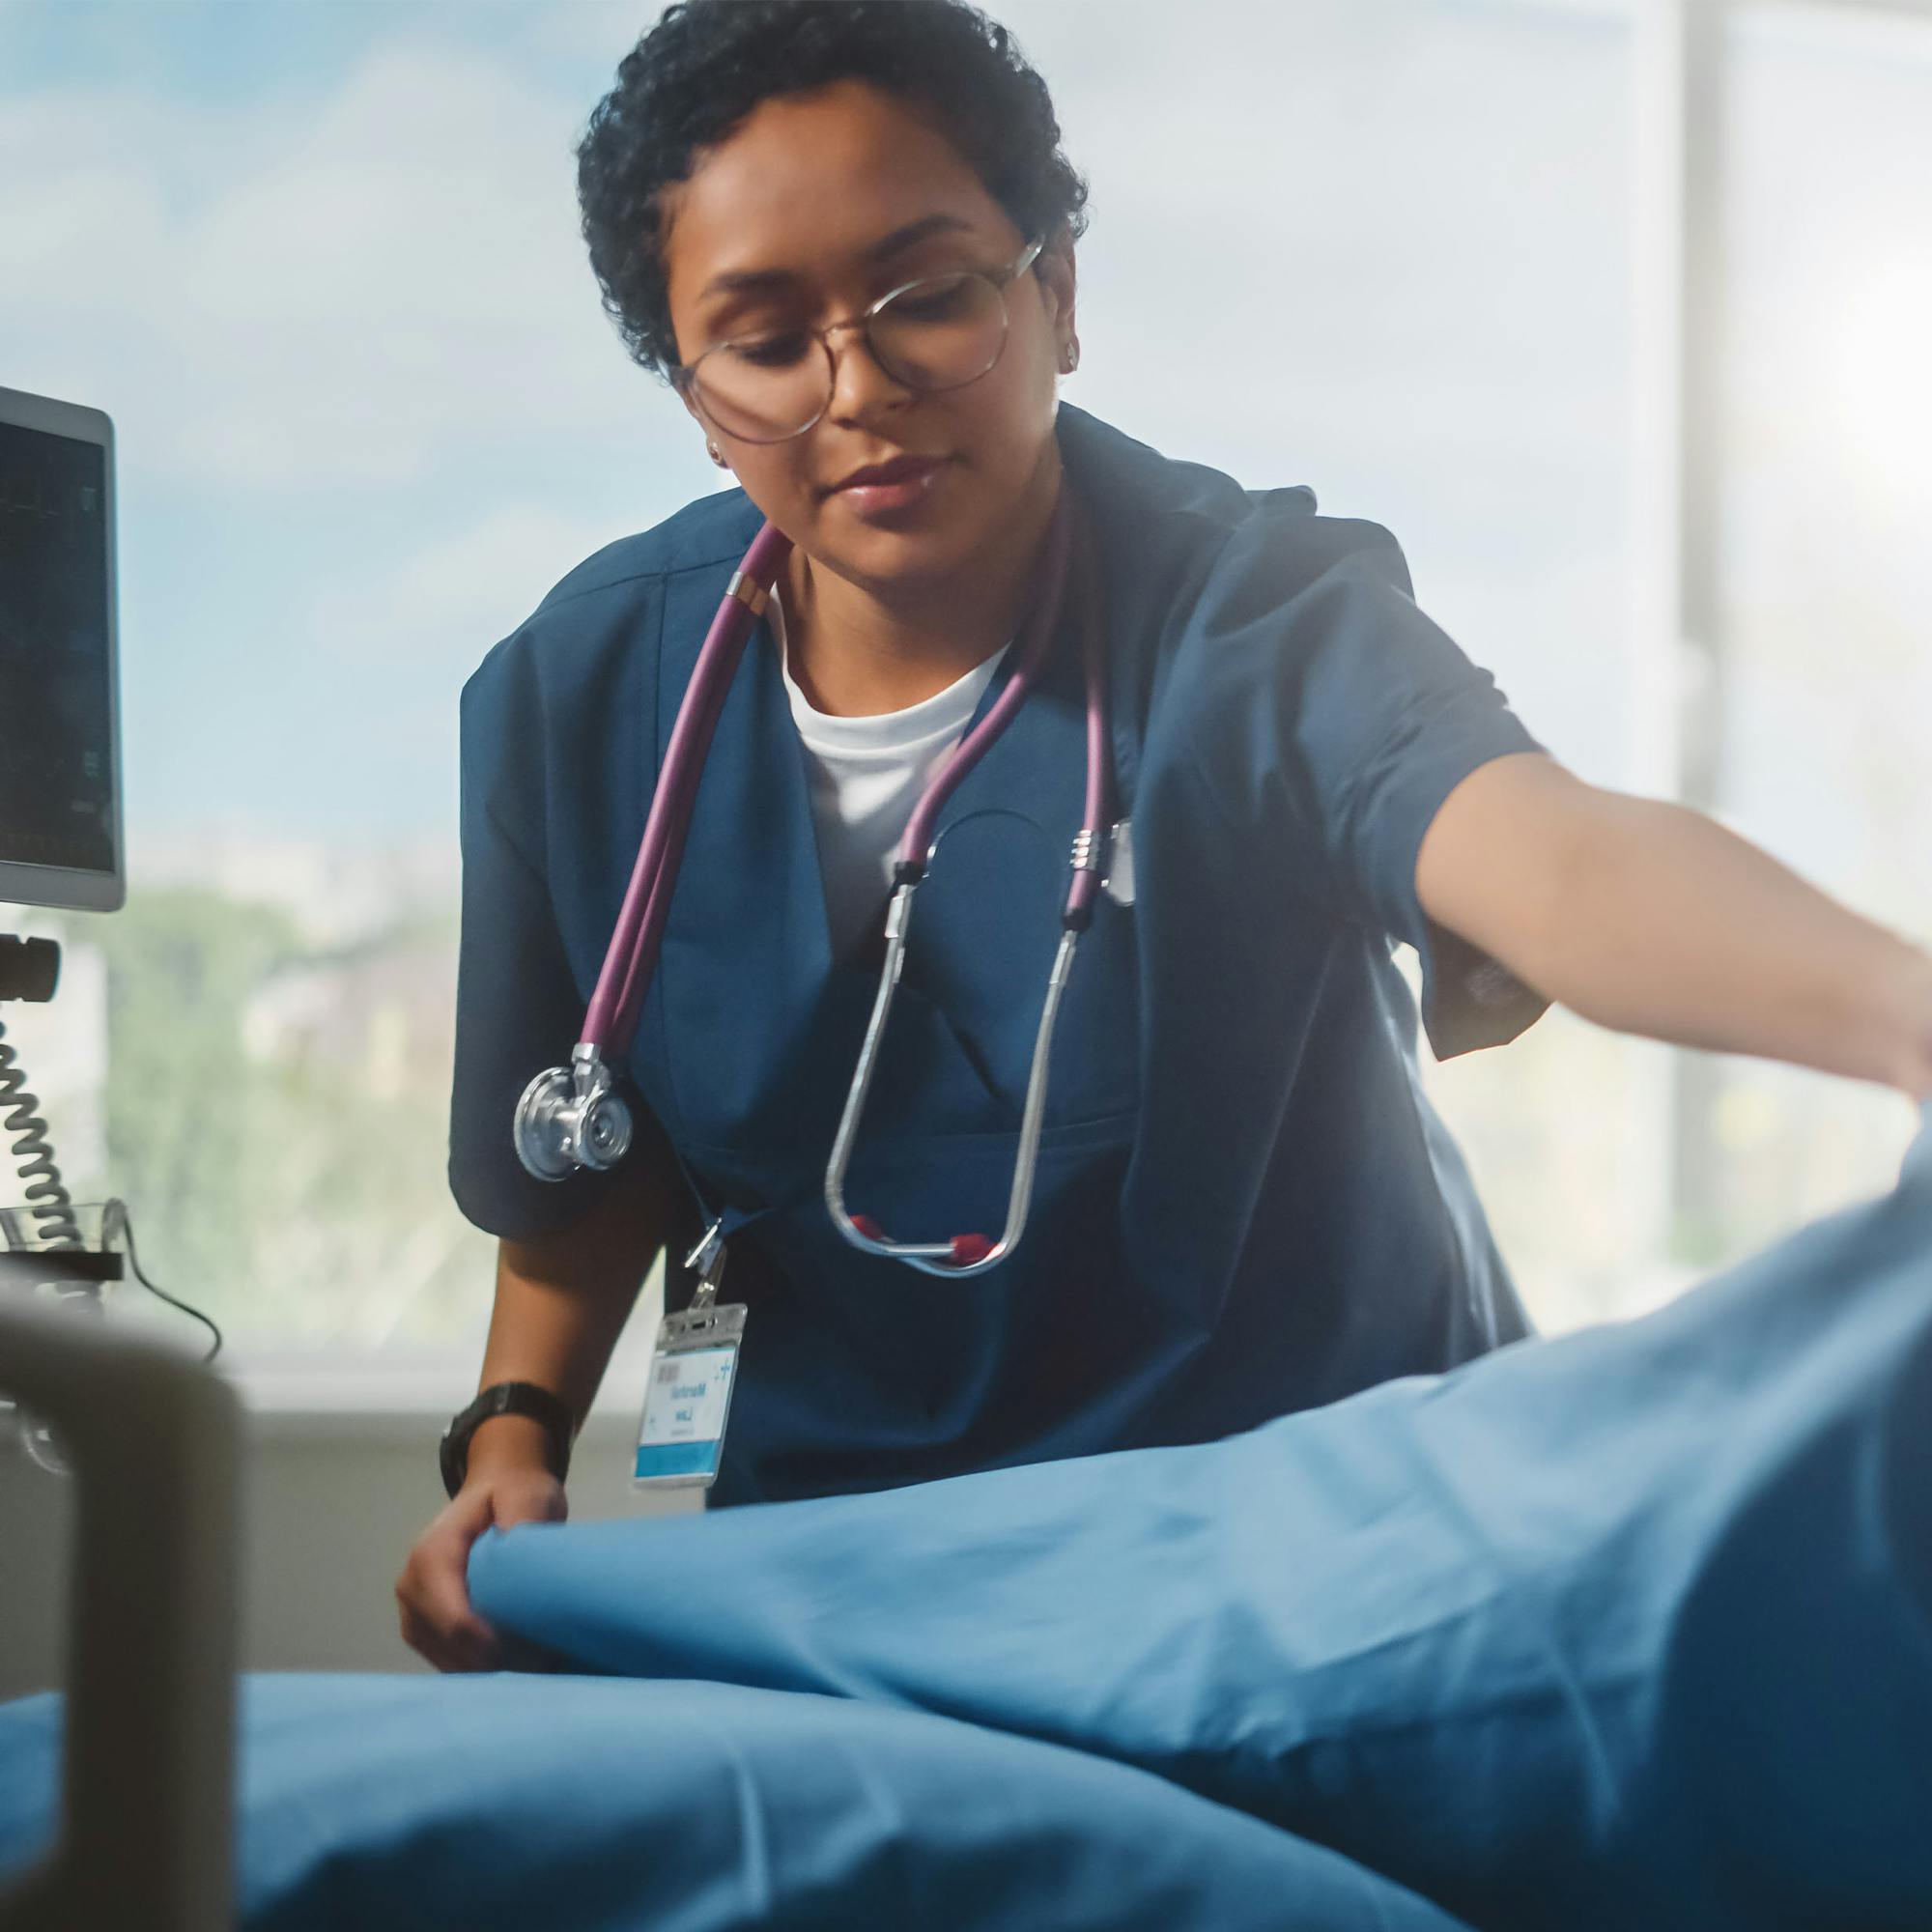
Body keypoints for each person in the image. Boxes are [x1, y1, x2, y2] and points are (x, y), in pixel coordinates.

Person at [397, 0, 1932, 1672]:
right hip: (850, 1587)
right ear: (695, 393)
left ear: (1054, 292)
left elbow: (1545, 854)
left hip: (1322, 1565)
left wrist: (1907, 1019)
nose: (861, 388)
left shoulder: (1253, 612)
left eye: (931, 297)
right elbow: (585, 1155)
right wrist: (513, 1441)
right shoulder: (584, 687)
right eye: (765, 338)